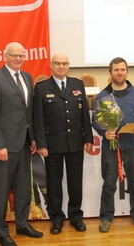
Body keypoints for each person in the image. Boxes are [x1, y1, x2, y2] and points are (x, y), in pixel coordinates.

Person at [0, 42, 43, 246]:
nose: (18, 59)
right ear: (5, 56)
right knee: (1, 190)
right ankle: (1, 232)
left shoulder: (26, 77)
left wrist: (33, 137)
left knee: (23, 187)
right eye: (14, 55)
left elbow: (28, 113)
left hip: (24, 144)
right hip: (5, 147)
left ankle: (22, 224)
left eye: (21, 55)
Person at [92, 57, 134, 233]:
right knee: (109, 183)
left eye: (122, 69)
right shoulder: (103, 96)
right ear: (110, 72)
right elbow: (95, 121)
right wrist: (104, 132)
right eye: (116, 70)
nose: (119, 73)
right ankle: (105, 217)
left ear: (127, 71)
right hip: (111, 146)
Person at [33, 53, 93, 235]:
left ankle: (76, 216)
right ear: (51, 65)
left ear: (69, 65)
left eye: (64, 63)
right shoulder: (42, 87)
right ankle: (56, 218)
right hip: (52, 145)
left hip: (75, 142)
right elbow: (38, 118)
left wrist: (88, 138)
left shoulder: (78, 84)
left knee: (75, 183)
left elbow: (84, 116)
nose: (61, 66)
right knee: (54, 183)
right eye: (57, 63)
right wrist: (41, 143)